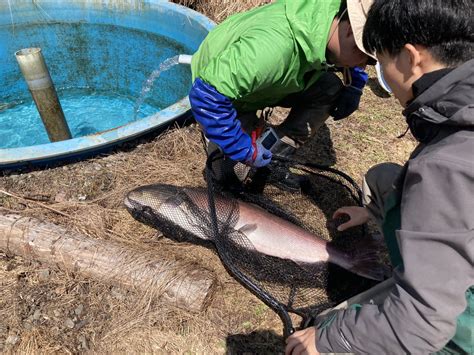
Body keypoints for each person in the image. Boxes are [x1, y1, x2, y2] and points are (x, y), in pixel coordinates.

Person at [285, 0, 474, 353]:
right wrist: (375, 212)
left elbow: (421, 324)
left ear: (410, 57)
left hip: (454, 315)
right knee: (386, 178)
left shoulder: (445, 167)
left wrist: (329, 341)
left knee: (319, 332)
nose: (380, 72)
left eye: (380, 61)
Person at [189, 0, 375, 188]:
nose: (362, 65)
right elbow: (206, 93)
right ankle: (232, 133)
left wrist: (355, 84)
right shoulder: (271, 48)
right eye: (364, 57)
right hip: (225, 91)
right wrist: (241, 148)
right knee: (232, 175)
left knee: (329, 87)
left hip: (267, 80)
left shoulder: (336, 21)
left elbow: (348, 52)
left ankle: (275, 158)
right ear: (351, 31)